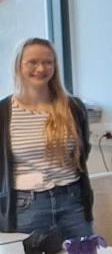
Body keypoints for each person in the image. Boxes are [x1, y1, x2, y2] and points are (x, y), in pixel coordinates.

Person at [1, 38, 94, 241]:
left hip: (72, 201)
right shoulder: (3, 112)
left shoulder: (73, 107)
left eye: (48, 62)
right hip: (26, 206)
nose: (41, 69)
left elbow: (83, 151)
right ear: (18, 65)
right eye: (33, 62)